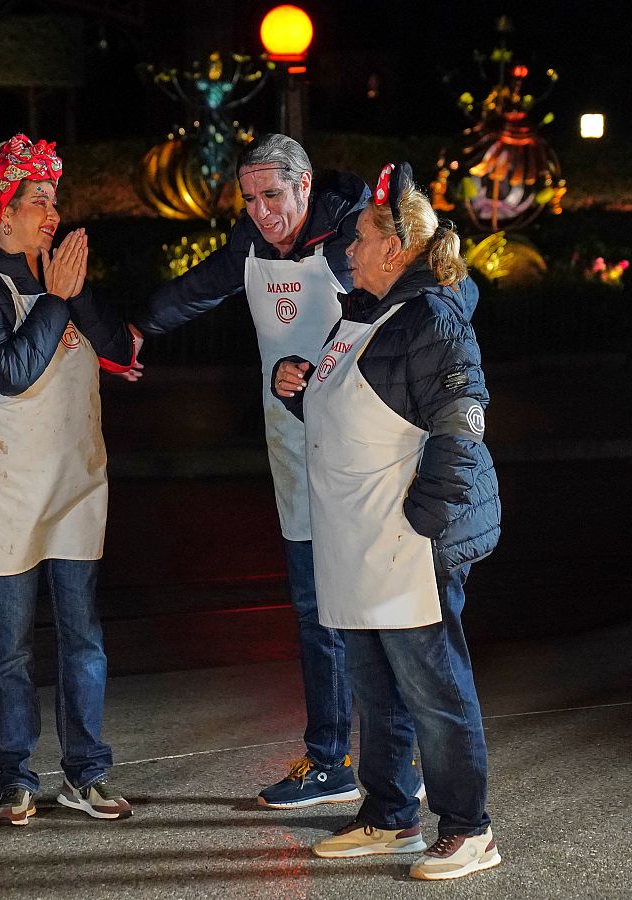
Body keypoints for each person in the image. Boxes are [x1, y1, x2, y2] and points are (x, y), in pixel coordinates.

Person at [135, 133, 393, 809]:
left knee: (381, 611)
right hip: (294, 459)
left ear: (304, 185)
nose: (260, 211)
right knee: (313, 610)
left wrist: (321, 363)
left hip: (361, 457)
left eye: (271, 195)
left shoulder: (352, 239)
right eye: (248, 199)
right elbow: (194, 292)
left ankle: (399, 762)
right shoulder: (250, 246)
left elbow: (400, 315)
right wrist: (133, 330)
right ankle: (330, 759)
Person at [272, 161, 502, 880]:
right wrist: (298, 389)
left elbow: (462, 424)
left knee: (434, 690)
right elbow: (354, 410)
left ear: (396, 248)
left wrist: (424, 520)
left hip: (405, 542)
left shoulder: (430, 317)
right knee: (376, 690)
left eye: (363, 237)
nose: (349, 248)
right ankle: (390, 814)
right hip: (361, 541)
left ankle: (468, 830)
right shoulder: (364, 312)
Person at [0, 133, 143, 828]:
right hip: (6, 488)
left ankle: (87, 773)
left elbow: (117, 346)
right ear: (2, 213)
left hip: (75, 480)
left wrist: (75, 293)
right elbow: (10, 372)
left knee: (83, 636)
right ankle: (15, 779)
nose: (52, 214)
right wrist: (56, 299)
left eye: (55, 200)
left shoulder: (62, 277)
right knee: (10, 647)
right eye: (37, 200)